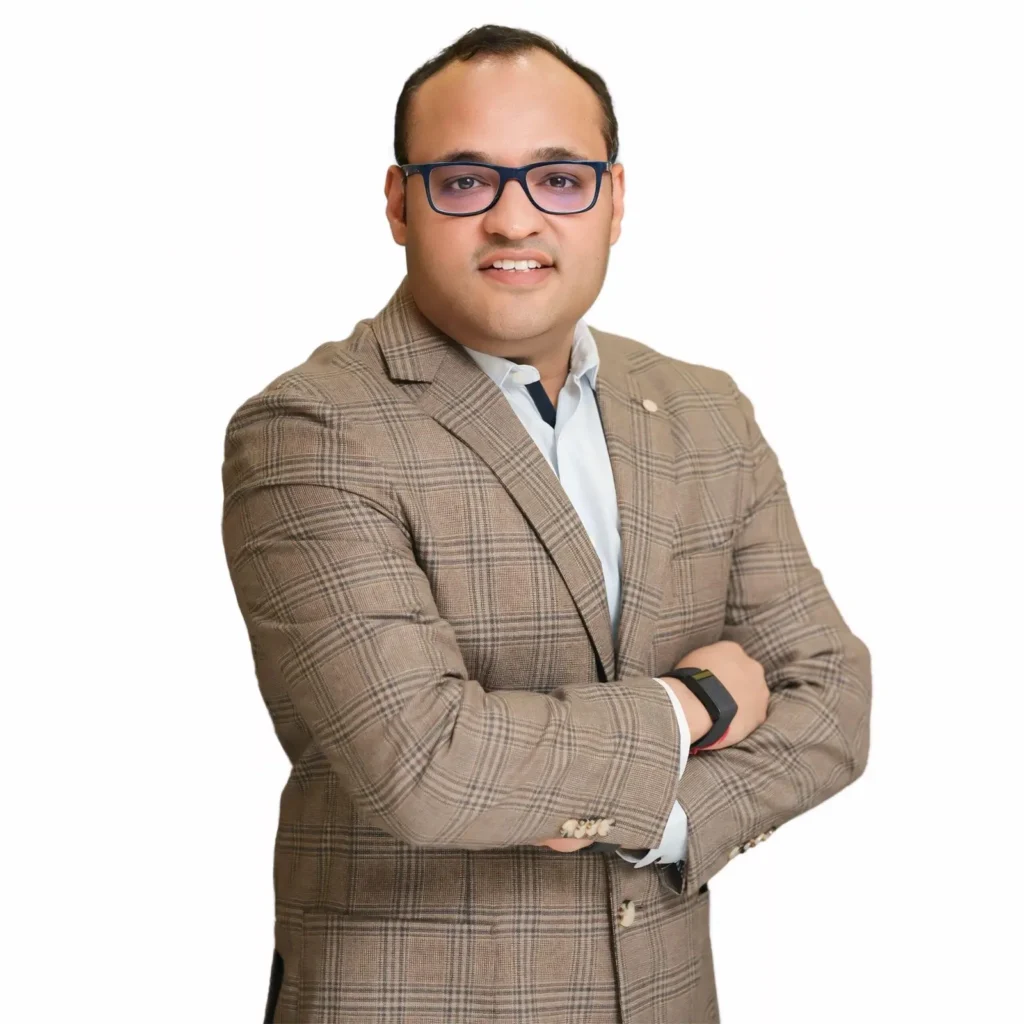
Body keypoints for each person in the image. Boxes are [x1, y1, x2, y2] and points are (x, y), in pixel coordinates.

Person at [221, 23, 872, 1024]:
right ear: (399, 203)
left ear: (615, 201)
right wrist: (694, 705)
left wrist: (662, 821)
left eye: (559, 180)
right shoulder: (310, 432)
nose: (515, 219)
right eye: (464, 181)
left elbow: (830, 698)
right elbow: (427, 767)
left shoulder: (703, 411)